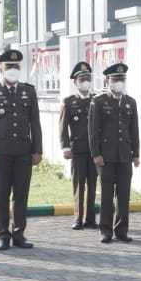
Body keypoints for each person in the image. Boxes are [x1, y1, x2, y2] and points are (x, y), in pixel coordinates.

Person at [0, 48, 43, 252]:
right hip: (1, 152)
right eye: (9, 66)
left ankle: (19, 234)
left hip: (24, 151)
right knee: (2, 194)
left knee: (21, 194)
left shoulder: (28, 90)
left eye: (16, 66)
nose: (13, 70)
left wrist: (37, 150)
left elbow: (35, 122)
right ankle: (3, 235)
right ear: (1, 67)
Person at [89, 62, 139, 243]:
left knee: (124, 195)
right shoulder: (99, 101)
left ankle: (122, 230)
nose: (119, 82)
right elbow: (93, 130)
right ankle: (105, 230)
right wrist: (96, 154)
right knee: (107, 195)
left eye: (121, 79)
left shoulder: (130, 102)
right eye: (115, 79)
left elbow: (134, 130)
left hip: (124, 155)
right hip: (106, 157)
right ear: (108, 81)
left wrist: (136, 154)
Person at [59, 61, 98, 230]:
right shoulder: (68, 102)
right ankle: (78, 218)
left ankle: (90, 219)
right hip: (77, 150)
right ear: (75, 82)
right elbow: (62, 126)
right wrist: (65, 147)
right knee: (79, 185)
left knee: (93, 184)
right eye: (82, 79)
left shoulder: (97, 100)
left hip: (95, 151)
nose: (85, 82)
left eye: (87, 78)